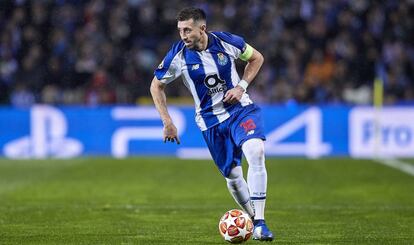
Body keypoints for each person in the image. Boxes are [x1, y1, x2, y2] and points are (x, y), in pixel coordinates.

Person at [150, 7, 274, 241]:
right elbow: (156, 85)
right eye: (180, 30)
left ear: (202, 28)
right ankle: (253, 222)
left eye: (187, 30)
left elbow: (257, 58)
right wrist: (167, 122)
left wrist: (241, 87)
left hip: (240, 110)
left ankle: (260, 221)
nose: (183, 35)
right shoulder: (178, 56)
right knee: (233, 176)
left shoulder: (227, 42)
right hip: (211, 123)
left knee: (256, 151)